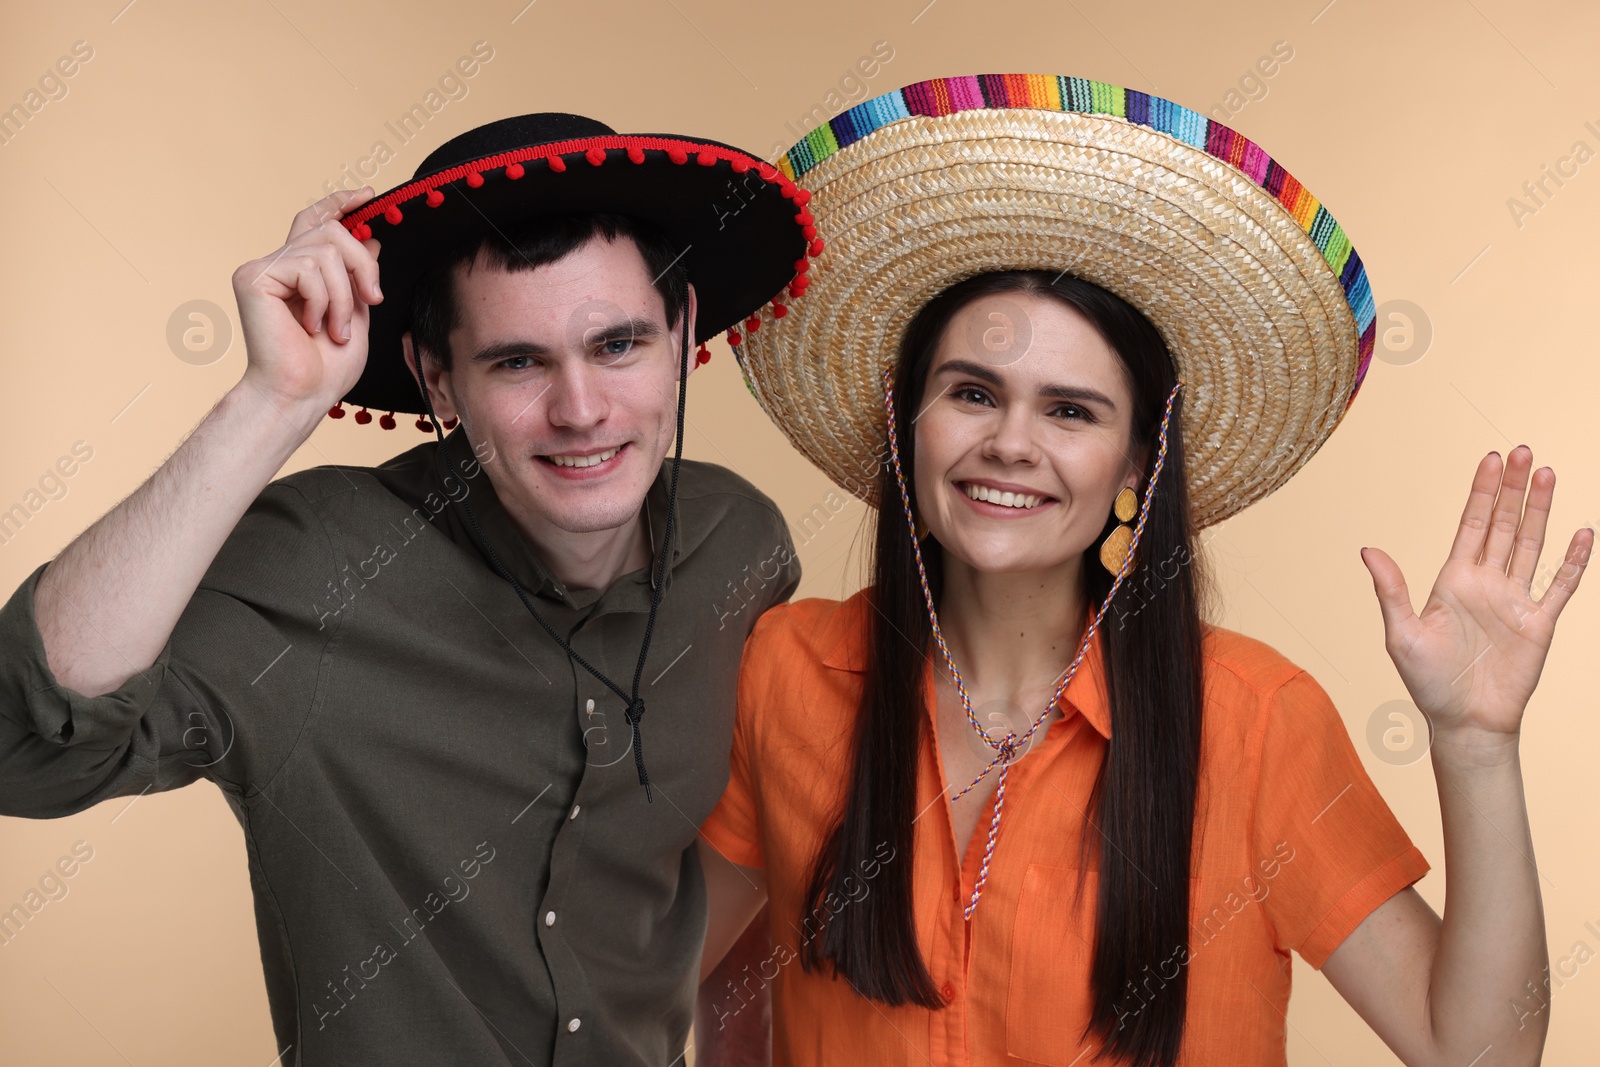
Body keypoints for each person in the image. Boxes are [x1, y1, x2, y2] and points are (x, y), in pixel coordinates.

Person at [692, 74, 1590, 1066]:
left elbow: (1480, 1052)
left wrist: (1473, 740)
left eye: (1070, 410)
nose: (1010, 442)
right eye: (972, 392)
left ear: (1134, 463)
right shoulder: (784, 669)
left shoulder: (1253, 720)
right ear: (909, 422)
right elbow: (656, 967)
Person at [0, 112, 815, 1065]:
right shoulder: (318, 562)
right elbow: (28, 741)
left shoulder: (740, 548)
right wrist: (272, 401)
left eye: (618, 345)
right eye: (518, 362)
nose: (581, 409)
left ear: (681, 338)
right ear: (438, 381)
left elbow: (751, 853)